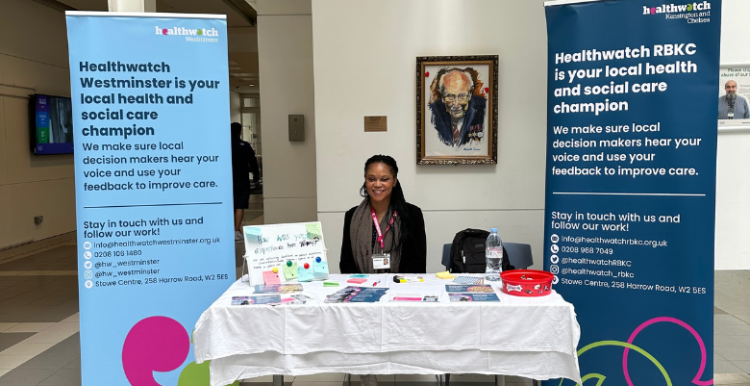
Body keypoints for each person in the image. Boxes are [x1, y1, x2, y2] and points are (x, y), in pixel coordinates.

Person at [340, 155, 427, 274]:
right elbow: (346, 262)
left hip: (401, 286)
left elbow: (418, 262)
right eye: (371, 179)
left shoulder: (412, 214)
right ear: (365, 181)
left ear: (394, 181)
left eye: (384, 179)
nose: (377, 184)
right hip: (362, 286)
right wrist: (364, 283)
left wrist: (395, 284)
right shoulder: (352, 215)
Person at [428, 68, 487, 147]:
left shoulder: (485, 109)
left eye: (462, 96)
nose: (456, 104)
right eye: (450, 96)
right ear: (442, 97)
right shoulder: (432, 112)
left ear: (470, 94)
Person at [231, 122, 260, 241]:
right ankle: (236, 230)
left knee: (229, 204)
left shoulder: (224, 145)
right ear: (240, 132)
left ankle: (228, 228)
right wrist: (256, 176)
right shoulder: (245, 146)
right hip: (242, 178)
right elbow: (253, 162)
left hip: (227, 179)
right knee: (240, 205)